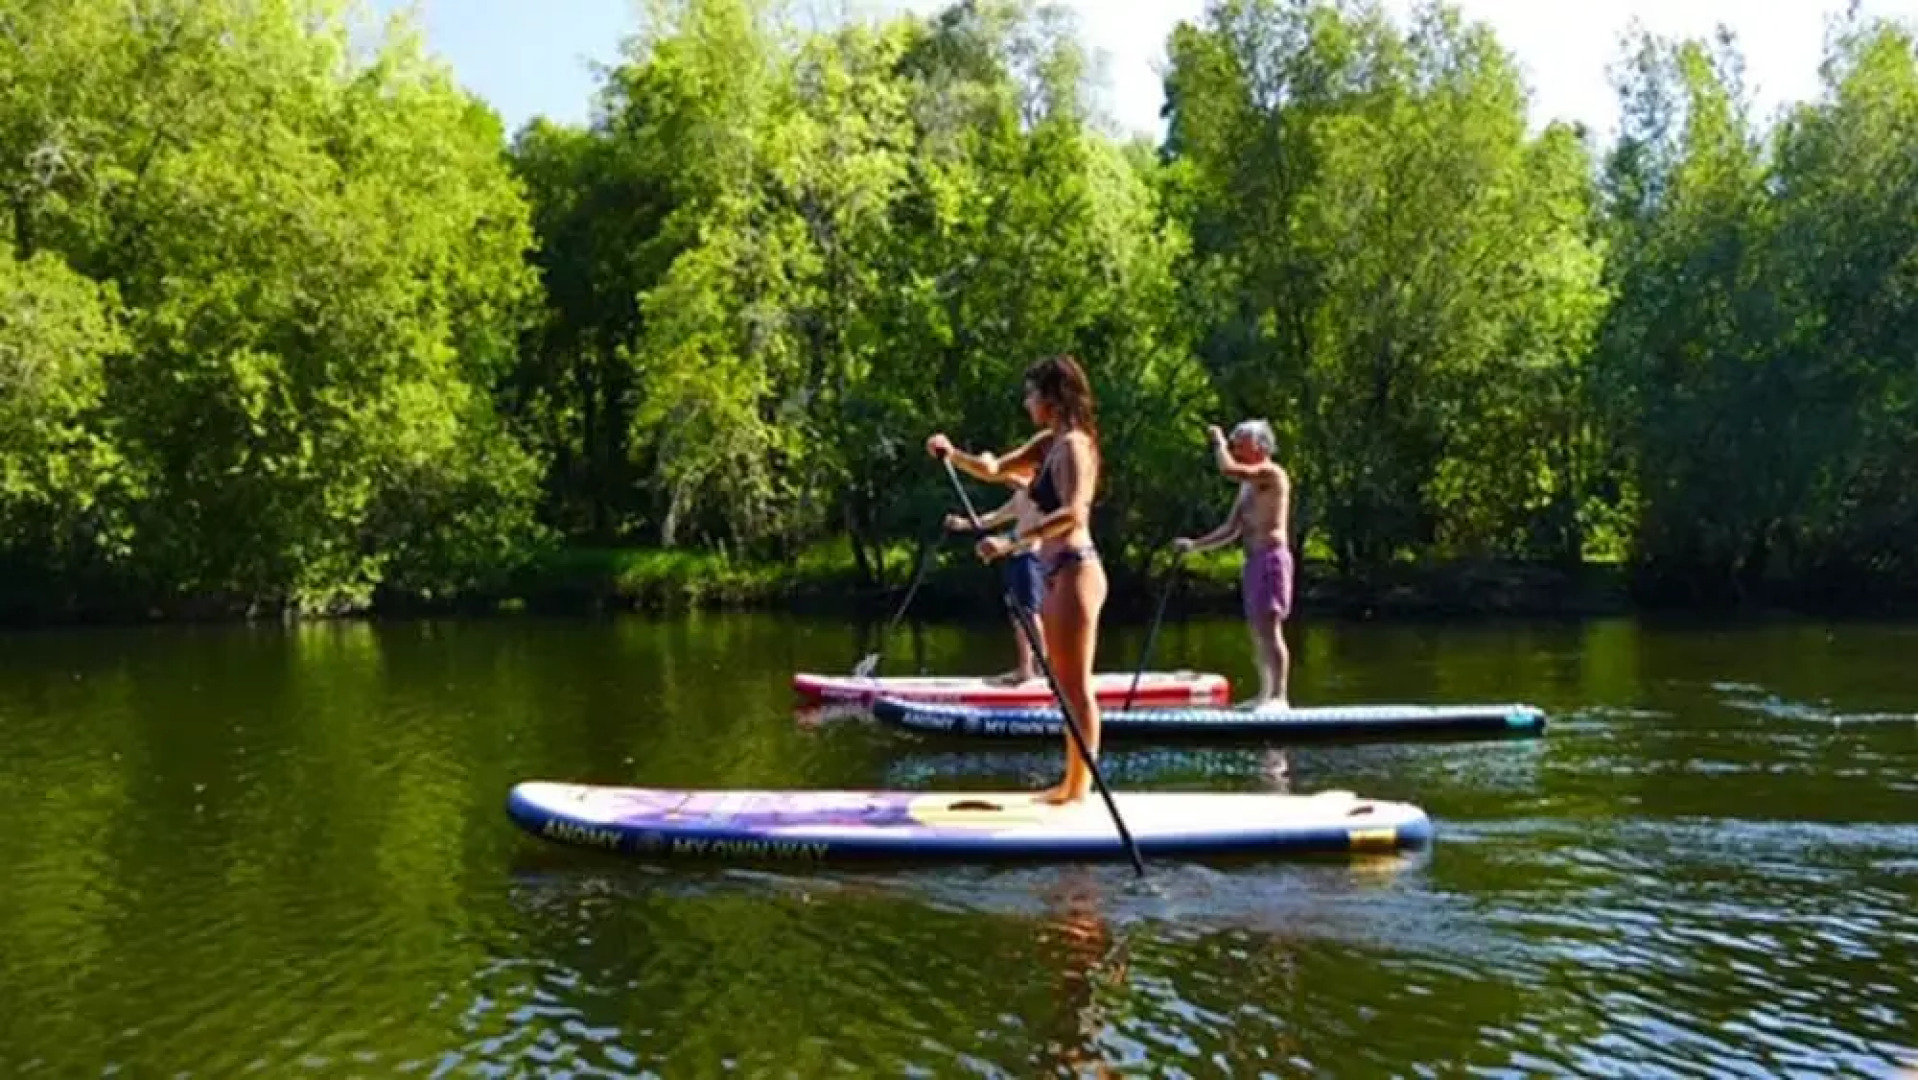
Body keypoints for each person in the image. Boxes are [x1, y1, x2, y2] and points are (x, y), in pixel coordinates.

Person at [926, 354, 1107, 805]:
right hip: (1054, 572)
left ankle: (1079, 789)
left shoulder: (1075, 447)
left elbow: (1073, 514)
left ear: (1052, 396)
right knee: (1062, 685)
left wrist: (1011, 543)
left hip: (1075, 568)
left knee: (1075, 685)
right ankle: (1071, 783)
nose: (1026, 402)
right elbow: (993, 470)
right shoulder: (1049, 443)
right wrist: (952, 454)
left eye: (1031, 393)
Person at [1174, 420, 1293, 711]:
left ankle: (1279, 697)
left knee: (1269, 626)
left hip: (1271, 558)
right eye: (1233, 439)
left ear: (1260, 445)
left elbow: (1228, 469)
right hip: (1253, 561)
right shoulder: (1247, 486)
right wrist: (1195, 545)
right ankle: (1265, 695)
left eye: (1241, 439)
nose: (1235, 443)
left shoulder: (1270, 472)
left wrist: (1218, 443)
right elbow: (1230, 529)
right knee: (1256, 629)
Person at [942, 479, 1044, 686]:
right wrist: (963, 524)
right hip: (1016, 558)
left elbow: (1035, 522)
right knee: (1018, 616)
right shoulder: (1018, 497)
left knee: (1030, 615)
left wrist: (998, 471)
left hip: (1031, 559)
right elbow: (994, 518)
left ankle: (1043, 667)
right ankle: (1025, 669)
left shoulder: (1040, 494)